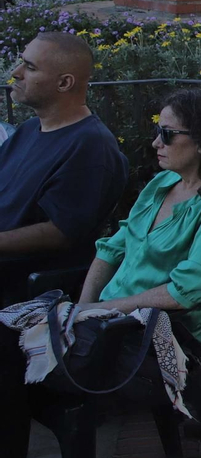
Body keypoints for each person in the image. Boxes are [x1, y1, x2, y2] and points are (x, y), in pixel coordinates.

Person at [0, 89, 201, 458]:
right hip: (105, 327)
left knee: (5, 363)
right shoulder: (161, 185)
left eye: (167, 133)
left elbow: (186, 291)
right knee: (4, 358)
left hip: (158, 344)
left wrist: (103, 311)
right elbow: (111, 248)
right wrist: (82, 310)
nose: (155, 142)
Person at [0, 32, 128, 303]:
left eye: (30, 67)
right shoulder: (28, 130)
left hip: (23, 288)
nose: (16, 73)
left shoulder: (91, 146)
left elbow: (61, 232)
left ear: (64, 83)